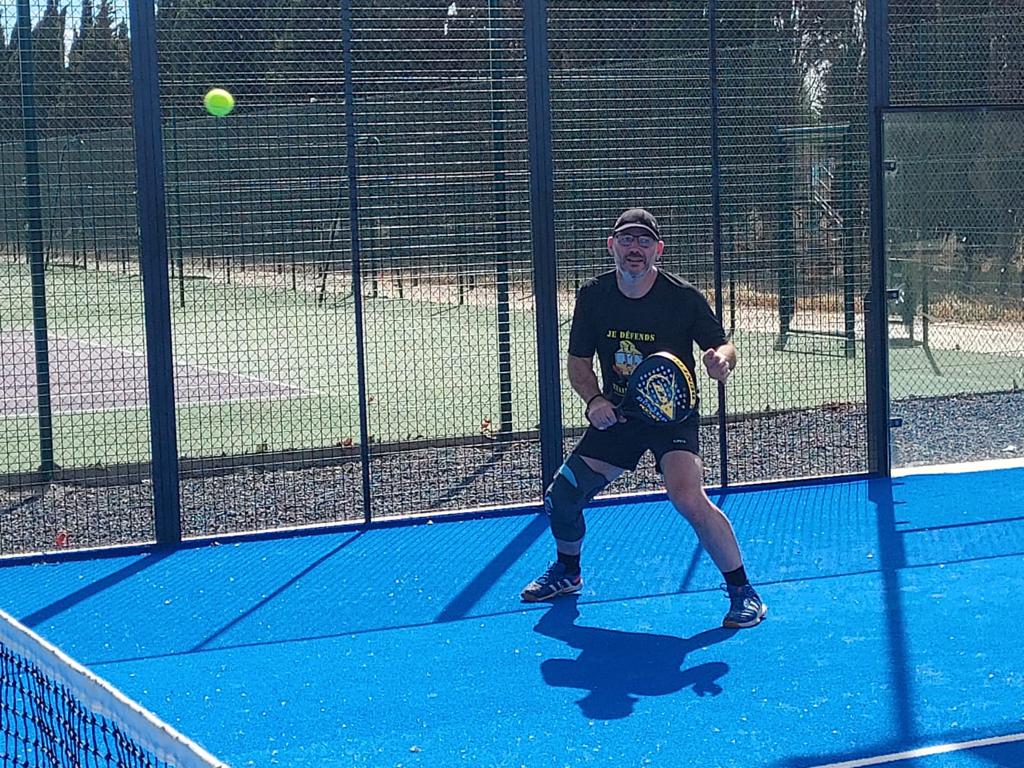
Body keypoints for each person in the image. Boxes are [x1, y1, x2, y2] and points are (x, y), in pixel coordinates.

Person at [520, 207, 766, 629]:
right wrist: (595, 400)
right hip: (619, 415)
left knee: (687, 497)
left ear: (658, 250)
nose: (635, 248)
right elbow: (578, 362)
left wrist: (721, 361)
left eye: (644, 241)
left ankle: (744, 592)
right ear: (611, 245)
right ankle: (568, 572)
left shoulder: (682, 297)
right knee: (563, 495)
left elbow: (723, 346)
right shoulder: (593, 295)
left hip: (671, 415)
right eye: (627, 240)